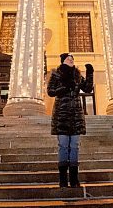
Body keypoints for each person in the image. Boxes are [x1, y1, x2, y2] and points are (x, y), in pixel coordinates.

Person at [47, 53, 94, 188]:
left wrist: (90, 73)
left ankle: (74, 179)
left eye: (72, 59)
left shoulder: (77, 75)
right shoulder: (56, 74)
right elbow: (50, 91)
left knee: (74, 147)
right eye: (69, 59)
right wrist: (65, 88)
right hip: (62, 115)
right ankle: (62, 179)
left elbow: (87, 88)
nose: (71, 60)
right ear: (63, 61)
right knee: (63, 146)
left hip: (75, 116)